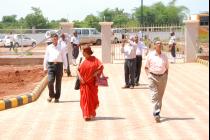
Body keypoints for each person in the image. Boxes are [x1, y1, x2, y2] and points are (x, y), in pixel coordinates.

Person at [77, 45, 103, 121]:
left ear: (87, 52)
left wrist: (95, 73)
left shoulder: (95, 60)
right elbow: (77, 70)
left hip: (92, 84)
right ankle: (86, 114)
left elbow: (101, 67)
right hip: (83, 84)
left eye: (83, 52)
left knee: (91, 99)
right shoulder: (81, 60)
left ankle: (90, 113)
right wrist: (80, 78)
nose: (82, 53)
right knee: (85, 99)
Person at [145, 40, 169, 123]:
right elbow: (146, 67)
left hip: (162, 78)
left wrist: (165, 77)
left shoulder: (164, 56)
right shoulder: (150, 55)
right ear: (154, 45)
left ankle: (157, 112)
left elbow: (167, 68)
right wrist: (149, 76)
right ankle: (156, 113)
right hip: (152, 77)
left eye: (160, 43)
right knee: (154, 95)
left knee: (159, 97)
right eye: (157, 43)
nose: (159, 44)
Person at [43, 33, 67, 103]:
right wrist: (45, 67)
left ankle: (57, 97)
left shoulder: (61, 47)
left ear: (58, 39)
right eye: (53, 38)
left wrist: (65, 67)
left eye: (56, 38)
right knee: (50, 81)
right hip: (50, 65)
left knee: (58, 83)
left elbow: (64, 57)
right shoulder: (49, 47)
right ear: (51, 39)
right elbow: (46, 58)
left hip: (59, 65)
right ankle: (51, 95)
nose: (55, 40)